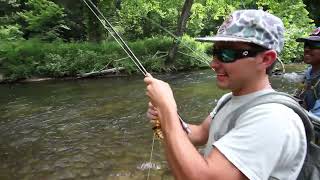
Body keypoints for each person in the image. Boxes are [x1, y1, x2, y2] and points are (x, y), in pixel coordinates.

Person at [144, 9, 307, 180]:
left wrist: (167, 110)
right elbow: (199, 134)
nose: (213, 63)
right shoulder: (228, 99)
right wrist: (164, 119)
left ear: (266, 59)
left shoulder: (274, 119)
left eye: (227, 54)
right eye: (215, 52)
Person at [295, 27, 320, 117]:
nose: (307, 49)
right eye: (306, 45)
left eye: (314, 45)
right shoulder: (309, 73)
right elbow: (297, 98)